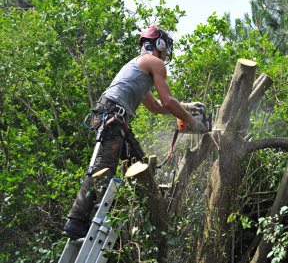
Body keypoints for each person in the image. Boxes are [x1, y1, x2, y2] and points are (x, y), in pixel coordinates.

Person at [63, 26, 205, 239]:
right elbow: (167, 101)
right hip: (112, 115)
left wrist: (185, 107)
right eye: (166, 48)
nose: (167, 54)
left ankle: (152, 219)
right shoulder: (154, 63)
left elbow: (156, 106)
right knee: (103, 168)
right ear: (160, 44)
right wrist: (192, 122)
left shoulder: (140, 69)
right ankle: (76, 221)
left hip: (115, 118)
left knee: (140, 165)